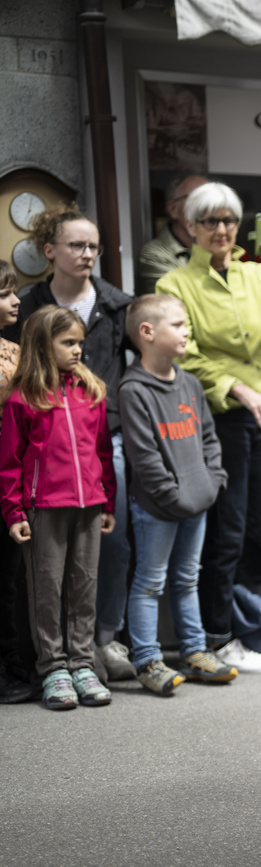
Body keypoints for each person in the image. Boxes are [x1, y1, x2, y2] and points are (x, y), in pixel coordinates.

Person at [157, 181, 261, 675]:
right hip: (219, 414)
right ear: (191, 227)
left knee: (259, 529)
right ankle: (216, 635)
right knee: (227, 531)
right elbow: (185, 353)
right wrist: (238, 388)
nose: (221, 230)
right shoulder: (175, 285)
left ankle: (243, 626)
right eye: (209, 221)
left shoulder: (255, 274)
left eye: (228, 221)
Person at [5, 203, 134, 685]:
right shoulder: (28, 307)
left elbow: (121, 382)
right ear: (49, 250)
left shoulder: (115, 304)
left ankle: (95, 649)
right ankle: (51, 663)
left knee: (100, 559)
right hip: (45, 474)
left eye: (93, 247)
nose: (86, 254)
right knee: (45, 574)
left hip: (98, 457)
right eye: (77, 245)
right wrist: (15, 508)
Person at [0, 306, 117, 710]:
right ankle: (53, 668)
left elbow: (103, 451)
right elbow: (10, 462)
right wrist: (14, 512)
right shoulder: (23, 398)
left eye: (80, 342)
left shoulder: (92, 391)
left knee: (84, 587)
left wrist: (108, 502)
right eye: (68, 342)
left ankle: (82, 663)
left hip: (89, 504)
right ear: (41, 345)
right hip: (43, 507)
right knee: (46, 590)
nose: (78, 350)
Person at [119, 294, 235, 694]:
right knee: (150, 582)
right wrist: (173, 496)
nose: (188, 331)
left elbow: (208, 439)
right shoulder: (134, 390)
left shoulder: (188, 381)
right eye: (179, 325)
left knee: (187, 579)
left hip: (197, 501)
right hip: (158, 508)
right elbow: (144, 456)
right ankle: (148, 660)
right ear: (147, 333)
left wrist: (212, 480)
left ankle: (195, 650)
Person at [0, 260, 37, 704]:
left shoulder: (15, 348)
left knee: (9, 577)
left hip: (10, 472)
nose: (15, 301)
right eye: (6, 294)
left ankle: (13, 665)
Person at [137, 173, 209, 295]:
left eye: (212, 200)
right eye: (197, 199)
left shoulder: (216, 247)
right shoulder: (156, 254)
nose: (207, 206)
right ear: (172, 209)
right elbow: (176, 304)